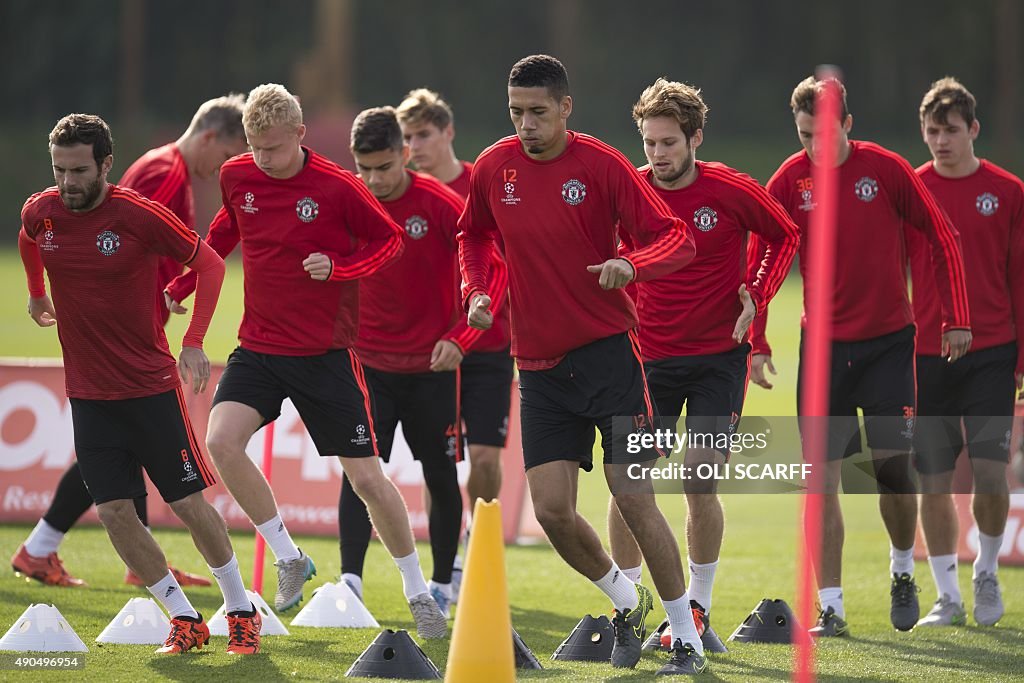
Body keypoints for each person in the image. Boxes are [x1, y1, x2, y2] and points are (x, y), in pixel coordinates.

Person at [164, 84, 448, 638]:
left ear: (299, 134)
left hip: (326, 356)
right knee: (220, 442)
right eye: (255, 148)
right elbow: (224, 232)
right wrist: (180, 281)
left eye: (274, 148)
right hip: (260, 348)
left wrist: (339, 266)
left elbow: (389, 241)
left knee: (367, 478)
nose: (263, 160)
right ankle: (288, 555)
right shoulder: (237, 175)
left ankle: (417, 590)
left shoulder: (339, 186)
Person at [459, 54, 706, 675]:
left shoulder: (602, 165)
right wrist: (478, 290)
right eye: (515, 111)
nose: (525, 124)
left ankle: (686, 638)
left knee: (631, 496)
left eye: (538, 112)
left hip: (608, 358)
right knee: (550, 512)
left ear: (566, 108)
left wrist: (633, 265)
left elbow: (677, 235)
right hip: (538, 367)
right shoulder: (493, 166)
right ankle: (628, 602)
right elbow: (474, 236)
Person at [18, 113, 261, 655]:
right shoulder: (44, 211)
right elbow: (27, 236)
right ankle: (183, 618)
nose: (68, 182)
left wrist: (195, 340)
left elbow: (213, 264)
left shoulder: (137, 214)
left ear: (106, 164)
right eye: (59, 169)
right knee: (113, 513)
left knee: (189, 505)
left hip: (150, 389)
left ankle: (240, 610)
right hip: (88, 395)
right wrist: (37, 292)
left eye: (79, 170)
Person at [751, 75, 972, 636]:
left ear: (847, 125)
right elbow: (758, 257)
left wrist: (956, 317)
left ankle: (902, 570)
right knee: (820, 479)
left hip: (888, 347)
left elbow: (943, 235)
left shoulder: (886, 169)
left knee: (891, 470)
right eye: (804, 136)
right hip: (823, 349)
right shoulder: (789, 181)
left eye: (825, 134)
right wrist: (757, 339)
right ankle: (832, 607)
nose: (815, 148)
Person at [606, 78, 799, 652]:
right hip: (645, 360)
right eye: (649, 143)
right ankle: (631, 606)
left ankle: (698, 605)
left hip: (718, 360)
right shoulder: (632, 192)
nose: (657, 155)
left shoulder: (731, 188)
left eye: (668, 142)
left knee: (698, 476)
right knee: (630, 486)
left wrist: (756, 293)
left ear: (695, 138)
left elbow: (784, 235)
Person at [338, 106, 507, 618]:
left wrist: (460, 337)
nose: (374, 179)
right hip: (368, 365)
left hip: (433, 368)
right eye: (364, 168)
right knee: (360, 475)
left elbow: (492, 269)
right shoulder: (349, 199)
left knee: (440, 472)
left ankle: (442, 585)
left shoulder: (440, 203)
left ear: (405, 155)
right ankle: (350, 585)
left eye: (384, 167)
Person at [908, 77, 1022, 628]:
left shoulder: (1007, 191)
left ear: (973, 130)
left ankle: (988, 572)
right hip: (926, 353)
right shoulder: (912, 188)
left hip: (993, 350)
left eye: (950, 131)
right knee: (933, 478)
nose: (940, 141)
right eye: (932, 131)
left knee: (990, 473)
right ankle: (948, 596)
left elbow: (1019, 277)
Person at [396, 88, 514, 596]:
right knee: (437, 464)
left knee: (485, 460)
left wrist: (469, 329)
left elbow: (503, 265)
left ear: (448, 132)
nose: (414, 145)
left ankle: (477, 551)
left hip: (487, 347)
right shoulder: (400, 190)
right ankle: (446, 560)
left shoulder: (478, 185)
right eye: (406, 137)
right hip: (429, 356)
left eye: (423, 134)